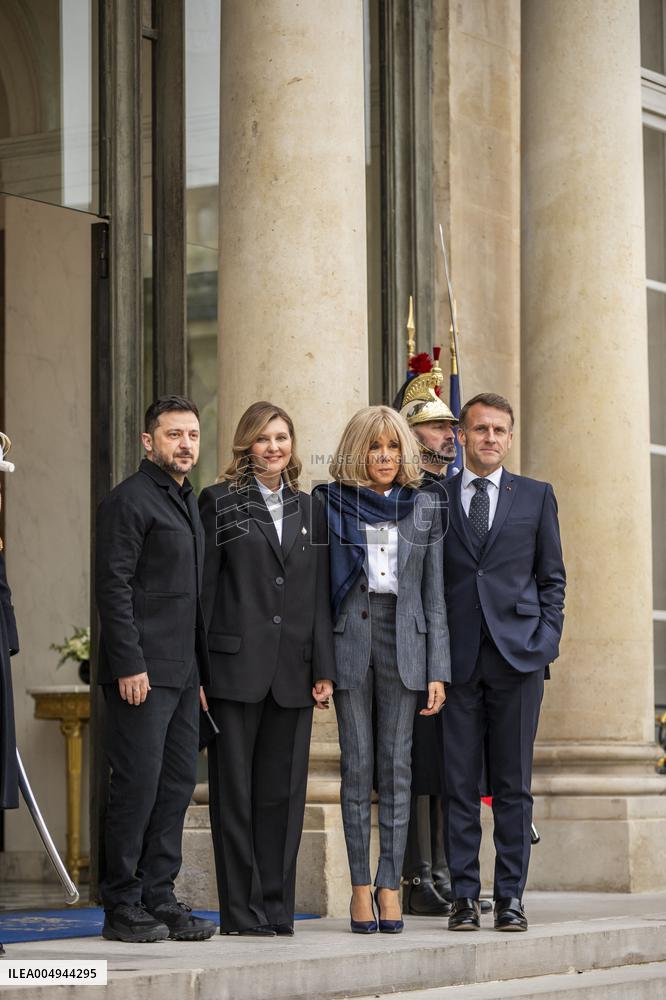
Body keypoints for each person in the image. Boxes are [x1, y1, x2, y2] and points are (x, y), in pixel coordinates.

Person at [199, 401, 335, 937]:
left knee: (283, 795)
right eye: (262, 439)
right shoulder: (221, 503)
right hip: (234, 671)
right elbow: (206, 592)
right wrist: (202, 674)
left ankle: (278, 909)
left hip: (294, 673)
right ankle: (241, 911)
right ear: (245, 446)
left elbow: (319, 592)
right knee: (235, 794)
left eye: (282, 437)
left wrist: (322, 667)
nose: (273, 447)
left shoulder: (311, 509)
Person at [314, 405, 450, 935]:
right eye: (374, 447)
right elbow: (317, 592)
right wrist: (320, 663)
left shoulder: (424, 507)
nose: (385, 457)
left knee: (397, 768)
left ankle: (390, 884)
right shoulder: (328, 503)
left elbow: (435, 596)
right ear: (357, 451)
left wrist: (438, 667)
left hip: (406, 641)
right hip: (350, 635)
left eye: (394, 447)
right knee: (357, 768)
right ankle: (358, 890)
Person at [441, 393, 565, 932]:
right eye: (480, 429)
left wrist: (544, 642)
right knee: (460, 785)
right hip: (456, 662)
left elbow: (552, 579)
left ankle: (511, 897)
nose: (490, 437)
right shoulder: (435, 498)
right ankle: (464, 898)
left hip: (518, 660)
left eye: (499, 430)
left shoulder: (536, 497)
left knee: (513, 786)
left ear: (510, 438)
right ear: (462, 436)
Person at [95, 395, 216, 944]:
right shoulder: (130, 500)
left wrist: (202, 678)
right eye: (174, 435)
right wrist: (128, 663)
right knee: (136, 788)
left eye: (191, 434)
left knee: (174, 789)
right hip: (141, 674)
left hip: (183, 675)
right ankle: (121, 902)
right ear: (149, 442)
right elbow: (113, 587)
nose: (185, 444)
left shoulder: (186, 501)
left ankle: (158, 896)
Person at [394, 355, 458, 916]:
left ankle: (442, 868)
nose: (451, 434)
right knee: (416, 763)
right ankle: (418, 876)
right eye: (439, 426)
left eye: (450, 426)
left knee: (446, 765)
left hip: (455, 649)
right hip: (413, 646)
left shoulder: (450, 489)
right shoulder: (412, 495)